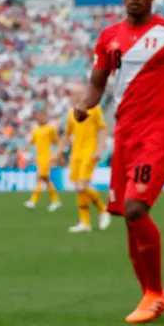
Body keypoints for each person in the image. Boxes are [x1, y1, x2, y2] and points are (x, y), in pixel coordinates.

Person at [75, 0, 164, 324]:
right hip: (125, 136)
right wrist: (85, 105)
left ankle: (156, 293)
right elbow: (97, 83)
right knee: (128, 218)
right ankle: (149, 293)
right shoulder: (109, 37)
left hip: (157, 136)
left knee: (136, 207)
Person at [55, 84, 110, 232]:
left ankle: (103, 209)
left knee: (82, 186)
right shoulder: (71, 113)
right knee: (79, 189)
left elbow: (103, 129)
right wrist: (58, 152)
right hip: (76, 154)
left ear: (83, 94)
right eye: (72, 94)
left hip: (89, 153)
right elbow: (67, 134)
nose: (74, 96)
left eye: (77, 93)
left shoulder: (94, 109)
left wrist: (99, 149)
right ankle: (85, 223)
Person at [23, 110, 62, 212]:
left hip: (46, 158)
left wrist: (58, 155)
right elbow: (31, 141)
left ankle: (33, 201)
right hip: (39, 158)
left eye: (41, 116)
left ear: (44, 117)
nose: (39, 118)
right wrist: (25, 149)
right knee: (45, 179)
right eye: (37, 116)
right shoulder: (35, 130)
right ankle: (55, 201)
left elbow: (57, 142)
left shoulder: (50, 129)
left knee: (41, 178)